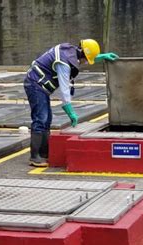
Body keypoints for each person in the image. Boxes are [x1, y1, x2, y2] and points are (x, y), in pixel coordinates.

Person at [24, 39, 119, 167]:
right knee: (41, 118)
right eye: (88, 59)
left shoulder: (71, 51)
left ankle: (44, 153)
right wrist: (70, 112)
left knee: (46, 119)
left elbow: (82, 58)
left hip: (40, 86)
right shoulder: (64, 63)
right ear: (83, 55)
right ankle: (35, 156)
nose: (86, 63)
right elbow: (64, 90)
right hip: (35, 84)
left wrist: (101, 57)